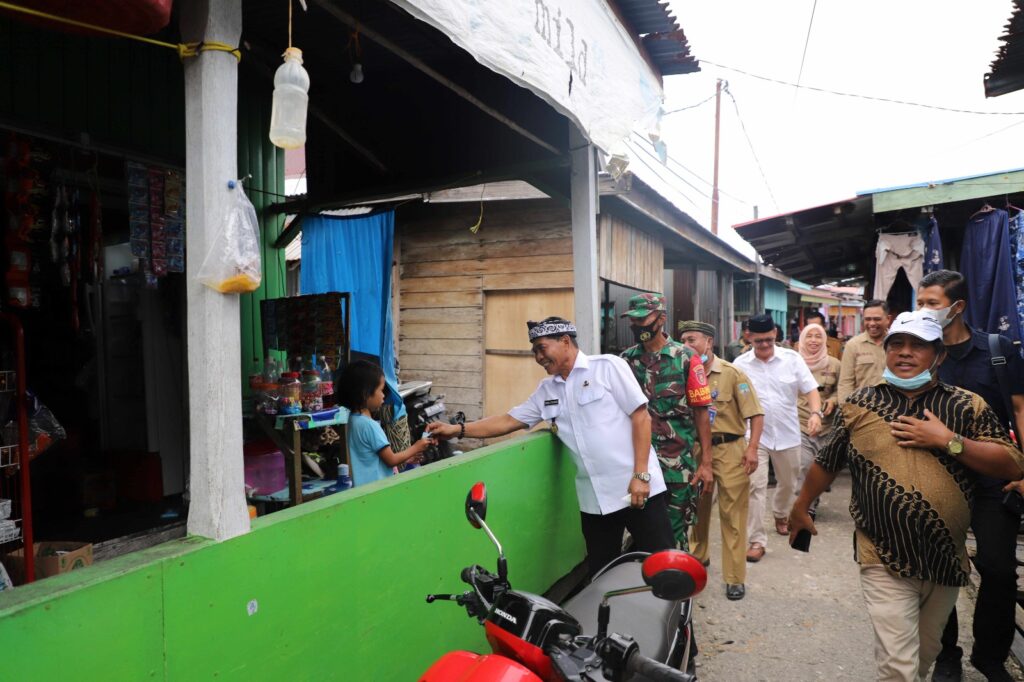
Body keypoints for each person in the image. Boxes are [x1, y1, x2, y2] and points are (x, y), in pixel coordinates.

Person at [790, 310, 1024, 682]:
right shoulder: (860, 405)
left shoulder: (967, 405)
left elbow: (1012, 464)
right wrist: (801, 506)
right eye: (896, 344)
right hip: (882, 555)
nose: (904, 352)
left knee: (924, 656)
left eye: (918, 345)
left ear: (940, 356)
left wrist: (949, 442)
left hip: (945, 558)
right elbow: (826, 461)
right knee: (898, 668)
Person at [427, 316, 674, 577]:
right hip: (595, 502)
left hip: (637, 489)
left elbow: (641, 417)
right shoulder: (547, 390)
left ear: (565, 341)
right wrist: (458, 429)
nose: (538, 358)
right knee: (602, 575)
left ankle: (680, 617)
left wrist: (641, 475)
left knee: (664, 566)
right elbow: (509, 420)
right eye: (534, 351)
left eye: (541, 348)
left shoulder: (607, 367)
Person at [916, 270, 1024, 682]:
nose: (922, 310)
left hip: (994, 478)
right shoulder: (920, 351)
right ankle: (946, 657)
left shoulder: (997, 351)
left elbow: (1019, 409)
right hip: (937, 477)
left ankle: (990, 657)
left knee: (997, 569)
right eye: (920, 302)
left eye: (931, 303)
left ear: (956, 307)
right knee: (939, 567)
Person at [620, 294, 713, 553]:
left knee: (672, 535)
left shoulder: (685, 358)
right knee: (642, 532)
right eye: (633, 321)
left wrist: (706, 463)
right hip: (639, 465)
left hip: (676, 467)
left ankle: (676, 589)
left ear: (661, 319)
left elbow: (701, 412)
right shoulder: (626, 360)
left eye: (643, 319)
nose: (638, 326)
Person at [680, 321, 765, 601]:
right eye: (683, 340)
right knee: (697, 510)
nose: (686, 346)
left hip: (730, 450)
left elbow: (755, 413)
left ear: (708, 342)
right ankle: (697, 559)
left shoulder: (731, 374)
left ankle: (734, 578)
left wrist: (752, 449)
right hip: (695, 451)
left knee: (733, 515)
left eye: (692, 340)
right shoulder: (681, 373)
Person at [733, 313, 821, 562]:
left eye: (768, 340)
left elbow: (811, 389)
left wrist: (815, 413)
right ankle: (757, 540)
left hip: (788, 433)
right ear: (748, 337)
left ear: (775, 335)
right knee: (755, 487)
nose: (763, 346)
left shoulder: (792, 359)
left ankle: (781, 514)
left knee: (789, 482)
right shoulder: (740, 364)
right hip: (753, 437)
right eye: (758, 341)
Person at [337, 360, 430, 486]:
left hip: (361, 489)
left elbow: (373, 459)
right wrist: (416, 447)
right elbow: (391, 460)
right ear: (365, 394)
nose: (383, 396)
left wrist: (407, 458)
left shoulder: (352, 420)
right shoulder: (370, 426)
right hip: (377, 490)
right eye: (381, 390)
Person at [794, 322, 841, 514]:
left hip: (827, 426)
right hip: (799, 422)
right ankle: (803, 508)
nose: (814, 340)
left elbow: (842, 389)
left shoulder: (835, 364)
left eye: (818, 336)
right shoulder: (793, 361)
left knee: (820, 467)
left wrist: (834, 399)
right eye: (809, 336)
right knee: (803, 466)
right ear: (802, 339)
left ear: (825, 340)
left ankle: (812, 498)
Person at [837, 299, 890, 402]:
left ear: (888, 319)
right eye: (867, 319)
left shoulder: (897, 344)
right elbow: (846, 383)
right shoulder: (853, 345)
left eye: (877, 319)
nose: (872, 323)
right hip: (862, 409)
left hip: (892, 408)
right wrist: (846, 410)